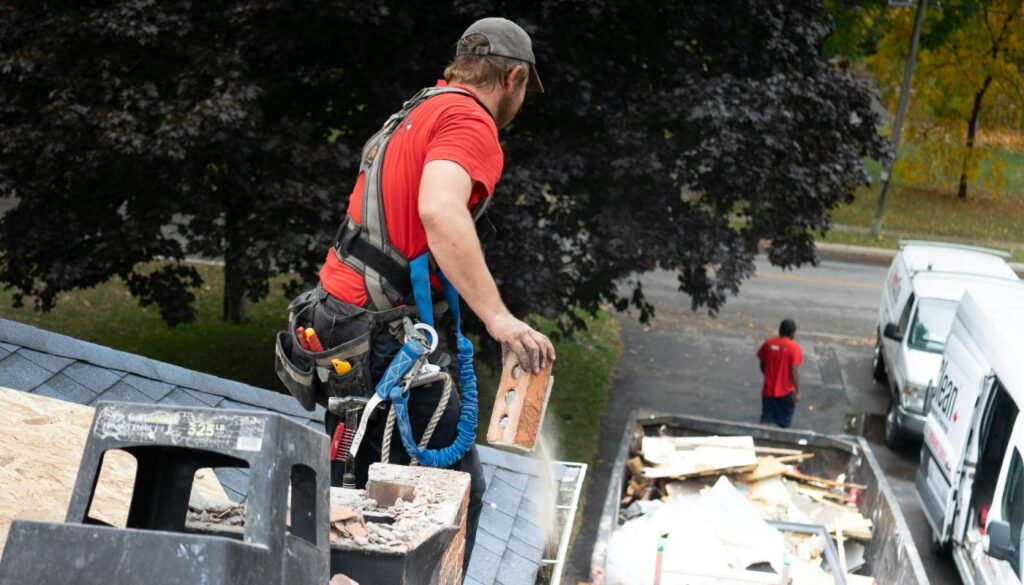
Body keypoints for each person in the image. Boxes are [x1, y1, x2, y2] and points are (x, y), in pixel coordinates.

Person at [310, 17, 555, 570]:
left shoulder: (421, 108)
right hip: (379, 337)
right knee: (445, 501)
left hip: (340, 323)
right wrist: (498, 319)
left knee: (350, 492)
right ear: (514, 77)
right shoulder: (470, 122)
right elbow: (440, 209)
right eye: (523, 90)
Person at [756, 319, 802, 428]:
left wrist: (769, 376)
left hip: (768, 391)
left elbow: (762, 364)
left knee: (766, 420)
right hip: (786, 392)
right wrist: (798, 391)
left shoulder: (768, 344)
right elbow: (793, 372)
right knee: (784, 424)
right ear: (792, 333)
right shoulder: (794, 348)